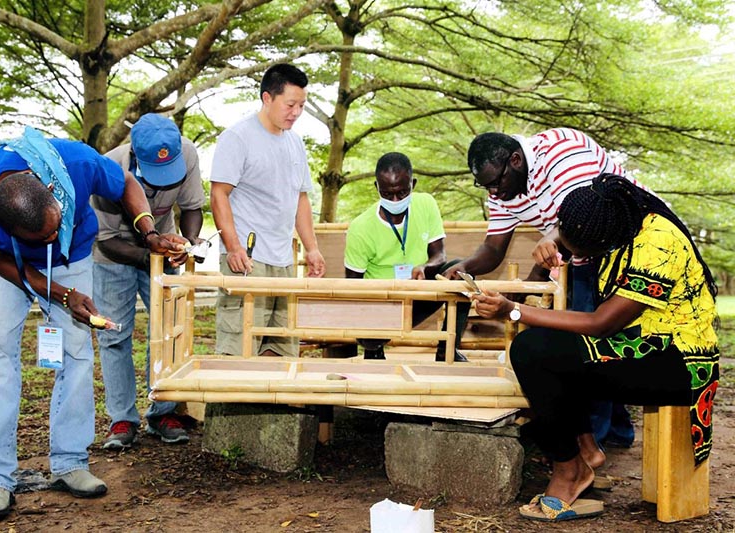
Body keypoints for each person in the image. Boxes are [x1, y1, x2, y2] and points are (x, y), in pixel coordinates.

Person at [0, 127, 187, 522]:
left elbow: (126, 181)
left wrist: (148, 233)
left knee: (76, 352)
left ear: (51, 190)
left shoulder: (76, 163)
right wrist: (59, 294)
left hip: (74, 258)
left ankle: (70, 461)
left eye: (55, 225)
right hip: (9, 266)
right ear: (0, 220)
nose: (51, 238)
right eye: (42, 236)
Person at [471, 174, 719, 521]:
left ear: (602, 237)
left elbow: (603, 324)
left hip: (677, 362)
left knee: (534, 349)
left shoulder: (658, 245)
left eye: (576, 251)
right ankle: (586, 452)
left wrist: (511, 310)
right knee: (544, 350)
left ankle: (571, 470)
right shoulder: (616, 215)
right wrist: (550, 238)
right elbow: (570, 227)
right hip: (637, 345)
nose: (569, 254)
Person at [445, 127, 639, 447]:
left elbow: (584, 220)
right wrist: (465, 267)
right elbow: (493, 249)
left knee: (592, 343)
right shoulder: (504, 190)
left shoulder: (562, 153)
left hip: (622, 248)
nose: (492, 192)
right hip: (580, 255)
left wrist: (530, 282)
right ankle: (615, 433)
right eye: (485, 186)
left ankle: (593, 443)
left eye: (496, 182)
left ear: (516, 161)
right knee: (596, 341)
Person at [92, 114, 205, 450]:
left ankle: (163, 412)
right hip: (113, 254)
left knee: (168, 332)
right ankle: (123, 420)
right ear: (135, 155)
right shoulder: (109, 167)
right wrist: (150, 254)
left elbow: (192, 207)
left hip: (163, 244)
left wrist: (188, 244)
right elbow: (106, 239)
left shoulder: (187, 153)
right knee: (114, 334)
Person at [210, 63, 326, 357]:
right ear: (267, 98)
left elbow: (300, 198)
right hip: (247, 259)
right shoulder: (238, 137)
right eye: (290, 104)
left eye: (301, 105)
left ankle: (272, 405)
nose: (296, 112)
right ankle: (231, 404)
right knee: (241, 345)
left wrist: (311, 249)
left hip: (283, 260)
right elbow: (219, 194)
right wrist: (233, 247)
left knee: (282, 342)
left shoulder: (295, 143)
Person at [344, 152, 469, 361]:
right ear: (377, 188)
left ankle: (447, 349)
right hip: (381, 305)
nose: (395, 200)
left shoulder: (426, 204)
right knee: (369, 338)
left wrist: (425, 267)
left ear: (413, 184)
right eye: (387, 194)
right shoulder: (360, 228)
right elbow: (353, 287)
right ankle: (373, 349)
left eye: (402, 193)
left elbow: (439, 255)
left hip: (418, 295)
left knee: (460, 270)